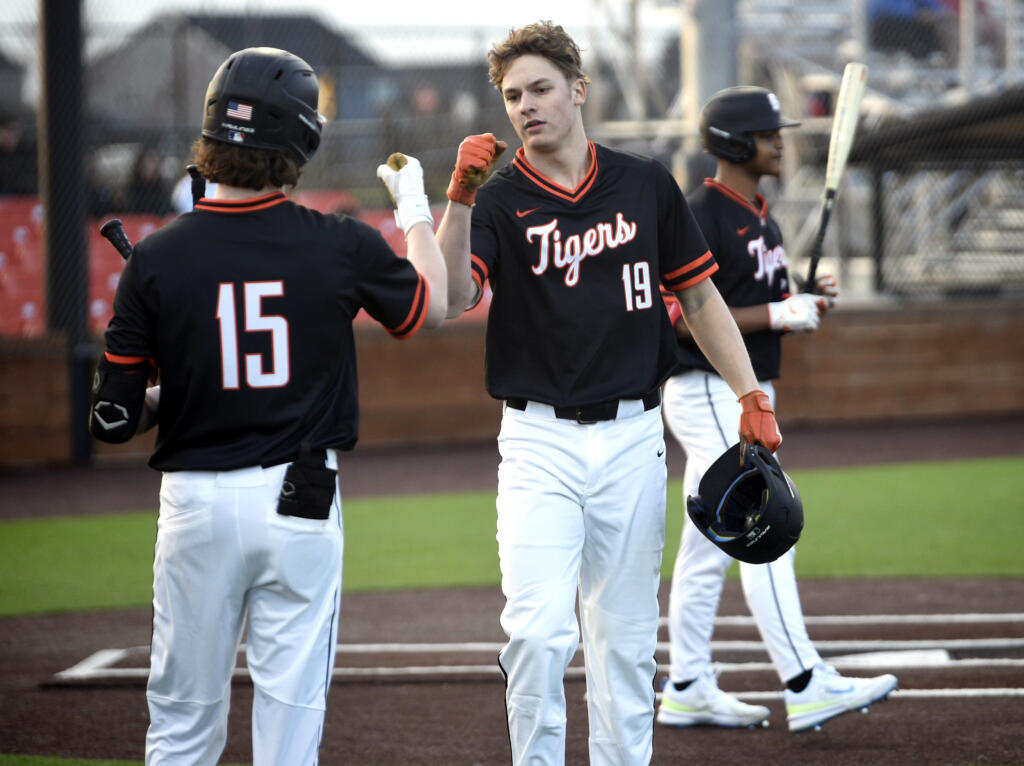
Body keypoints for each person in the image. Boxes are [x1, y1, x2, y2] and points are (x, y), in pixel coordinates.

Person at [436, 21, 783, 765]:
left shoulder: (645, 182)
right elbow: (452, 295)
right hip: (538, 439)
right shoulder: (498, 199)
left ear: (579, 91)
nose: (525, 106)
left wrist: (751, 394)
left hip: (632, 437)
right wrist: (459, 199)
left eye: (540, 89)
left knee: (624, 645)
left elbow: (699, 298)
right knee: (536, 634)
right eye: (511, 95)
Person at [89, 46, 447, 765]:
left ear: (210, 136)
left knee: (183, 727)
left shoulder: (157, 257)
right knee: (289, 727)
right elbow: (429, 308)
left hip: (195, 507)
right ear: (302, 141)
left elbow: (114, 419)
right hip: (300, 501)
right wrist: (414, 207)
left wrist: (178, 381)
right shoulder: (339, 243)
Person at [656, 86, 898, 735]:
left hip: (742, 389)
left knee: (709, 548)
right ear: (736, 143)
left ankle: (686, 684)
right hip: (709, 390)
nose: (782, 142)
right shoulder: (701, 213)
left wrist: (798, 300)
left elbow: (751, 302)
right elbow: (678, 315)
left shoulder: (760, 216)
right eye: (771, 134)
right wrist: (776, 313)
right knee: (768, 526)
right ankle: (805, 680)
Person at [119, 145, 175, 216]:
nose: (149, 169)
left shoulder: (162, 188)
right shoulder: (132, 189)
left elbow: (168, 210)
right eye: (145, 166)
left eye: (152, 164)